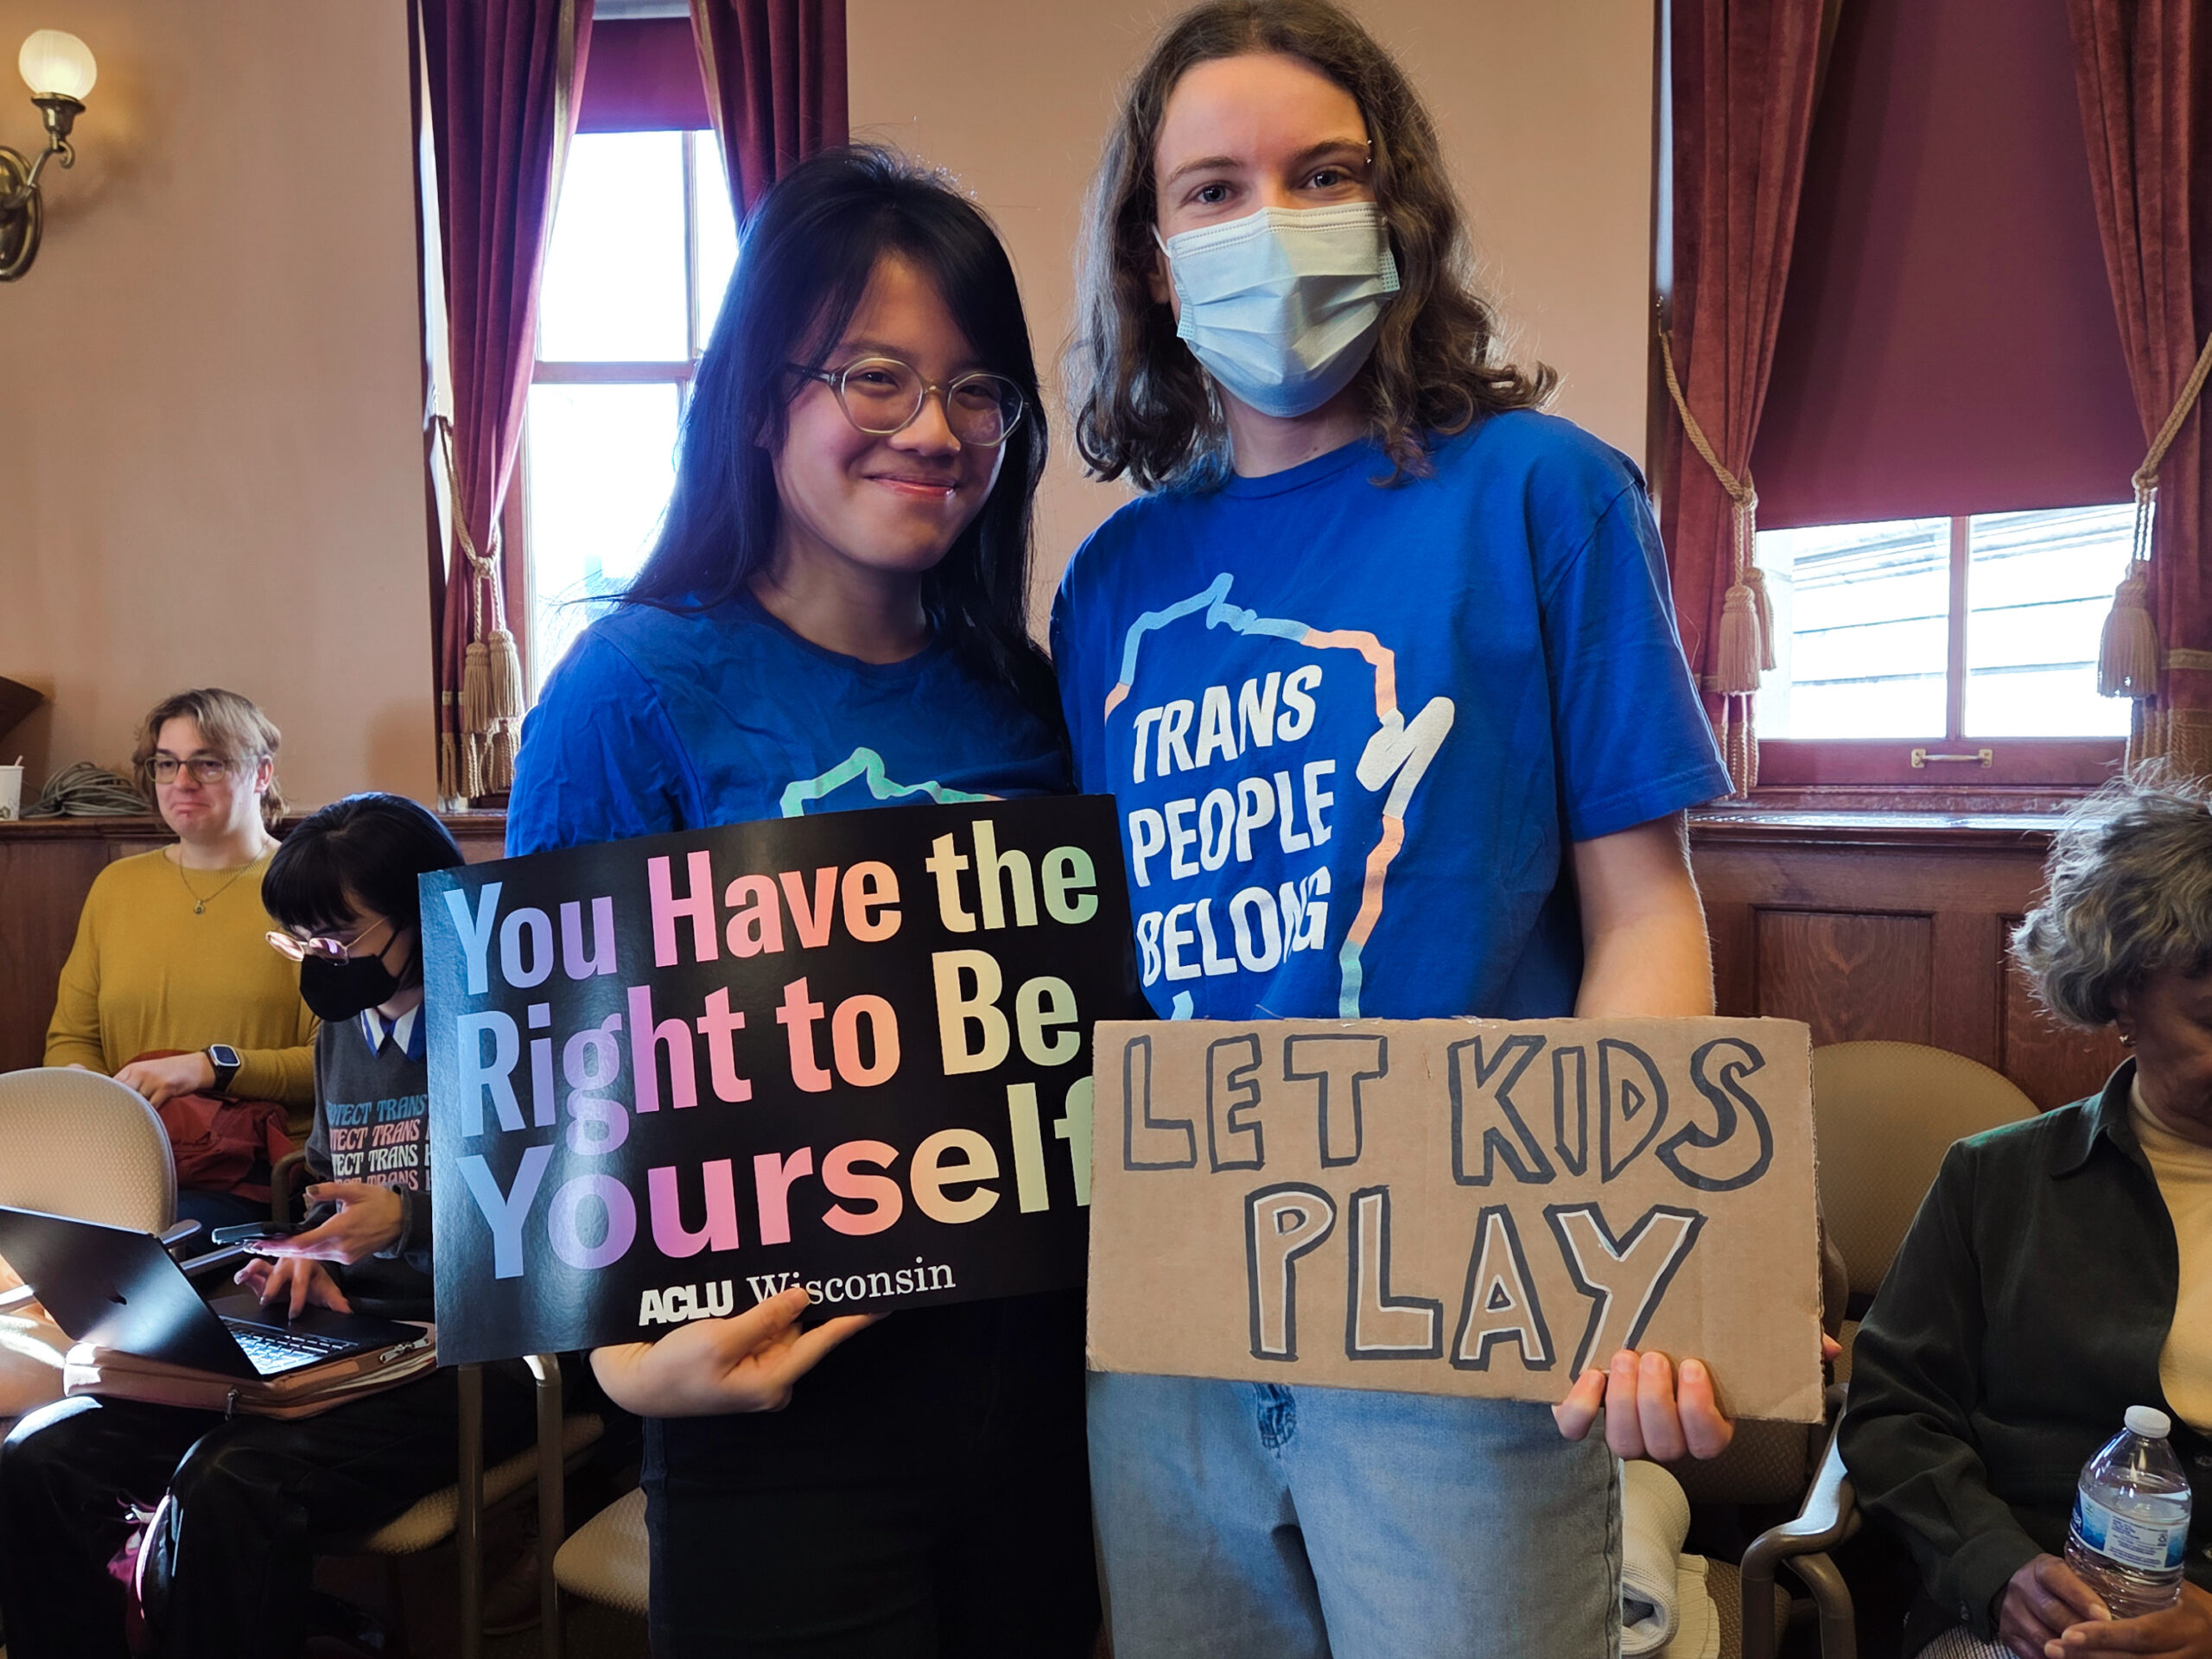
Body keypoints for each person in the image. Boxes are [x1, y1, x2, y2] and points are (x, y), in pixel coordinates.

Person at [1050, 3, 1740, 1651]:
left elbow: (1646, 911)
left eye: (1324, 172)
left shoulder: (1544, 495)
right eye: (1211, 189)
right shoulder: (1107, 587)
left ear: (1394, 215)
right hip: (1176, 1329)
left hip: (1465, 1313)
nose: (1269, 220)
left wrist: (1630, 1251)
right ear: (1152, 256)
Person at [505, 146, 1097, 1656]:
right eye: (877, 377)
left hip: (1047, 1401)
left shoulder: (1026, 691)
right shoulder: (631, 689)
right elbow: (549, 1093)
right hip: (779, 1424)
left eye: (980, 393)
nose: (936, 432)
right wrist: (623, 1367)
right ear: (764, 399)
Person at [0, 793, 539, 1659]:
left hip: (492, 1344)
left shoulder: (516, 1016)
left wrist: (411, 1217)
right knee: (42, 1457)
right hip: (364, 1325)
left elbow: (579, 1216)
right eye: (307, 941)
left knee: (234, 1481)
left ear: (429, 906)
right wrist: (307, 1251)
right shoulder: (351, 1028)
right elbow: (334, 1185)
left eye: (343, 937)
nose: (325, 963)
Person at [1840, 774, 2212, 1659]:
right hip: (2034, 1619)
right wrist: (1996, 1566)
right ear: (2119, 994)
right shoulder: (1994, 1182)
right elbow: (1893, 1413)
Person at [43, 687, 316, 1230]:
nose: (182, 782)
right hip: (124, 1158)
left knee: (138, 1245)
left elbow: (336, 1062)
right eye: (166, 764)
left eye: (207, 764)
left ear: (262, 773)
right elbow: (69, 1039)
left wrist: (208, 1068)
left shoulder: (308, 890)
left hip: (258, 1171)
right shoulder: (117, 887)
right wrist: (103, 1101)